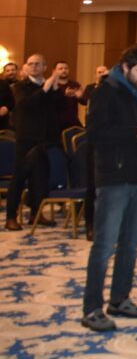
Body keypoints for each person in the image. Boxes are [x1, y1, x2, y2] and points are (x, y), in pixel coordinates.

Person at [81, 44, 137, 332]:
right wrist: (135, 132)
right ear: (125, 67)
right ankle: (92, 308)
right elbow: (95, 133)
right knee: (104, 246)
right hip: (113, 178)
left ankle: (119, 299)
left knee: (131, 245)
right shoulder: (105, 92)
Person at [5, 54, 62, 231]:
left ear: (45, 67)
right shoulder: (19, 87)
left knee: (40, 178)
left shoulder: (49, 86)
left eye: (38, 64)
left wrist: (54, 90)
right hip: (26, 138)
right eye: (31, 64)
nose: (34, 67)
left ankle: (36, 214)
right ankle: (11, 216)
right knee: (19, 177)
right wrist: (45, 89)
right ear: (26, 67)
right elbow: (26, 105)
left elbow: (57, 107)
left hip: (45, 139)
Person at [79, 65, 111, 239]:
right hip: (96, 148)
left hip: (115, 150)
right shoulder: (96, 99)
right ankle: (90, 224)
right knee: (93, 186)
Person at [53, 61, 86, 130]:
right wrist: (65, 95)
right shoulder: (51, 85)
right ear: (54, 71)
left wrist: (80, 97)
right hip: (55, 124)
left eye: (66, 68)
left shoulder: (74, 84)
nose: (64, 70)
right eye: (60, 68)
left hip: (72, 122)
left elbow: (85, 102)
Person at [0, 61, 18, 131]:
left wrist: (6, 107)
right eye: (8, 71)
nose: (11, 72)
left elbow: (11, 101)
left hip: (4, 123)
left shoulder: (3, 84)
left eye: (13, 70)